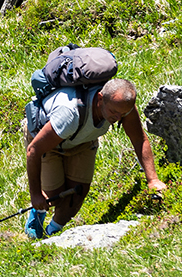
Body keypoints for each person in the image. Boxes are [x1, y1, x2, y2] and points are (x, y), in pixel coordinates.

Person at [24, 76, 167, 239]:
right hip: (50, 143)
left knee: (78, 193)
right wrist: (35, 194)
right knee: (53, 197)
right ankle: (37, 213)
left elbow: (139, 139)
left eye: (123, 113)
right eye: (114, 112)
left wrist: (153, 180)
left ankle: (53, 233)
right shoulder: (70, 112)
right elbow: (33, 150)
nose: (118, 118)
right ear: (100, 98)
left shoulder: (121, 107)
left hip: (83, 140)